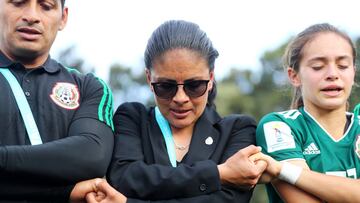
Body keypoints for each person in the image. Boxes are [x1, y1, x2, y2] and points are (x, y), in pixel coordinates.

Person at [97, 20, 267, 203]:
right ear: (149, 78)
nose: (180, 98)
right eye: (165, 86)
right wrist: (218, 173)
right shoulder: (132, 119)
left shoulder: (237, 130)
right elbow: (125, 179)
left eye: (194, 85)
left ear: (211, 78)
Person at [0, 0, 114, 202]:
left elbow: (92, 157)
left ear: (63, 17)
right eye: (18, 2)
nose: (32, 16)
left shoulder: (89, 87)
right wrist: (66, 192)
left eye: (46, 6)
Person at [255, 23, 359, 203]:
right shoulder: (278, 126)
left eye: (342, 66)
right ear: (294, 76)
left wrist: (282, 170)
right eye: (318, 67)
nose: (333, 74)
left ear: (353, 72)